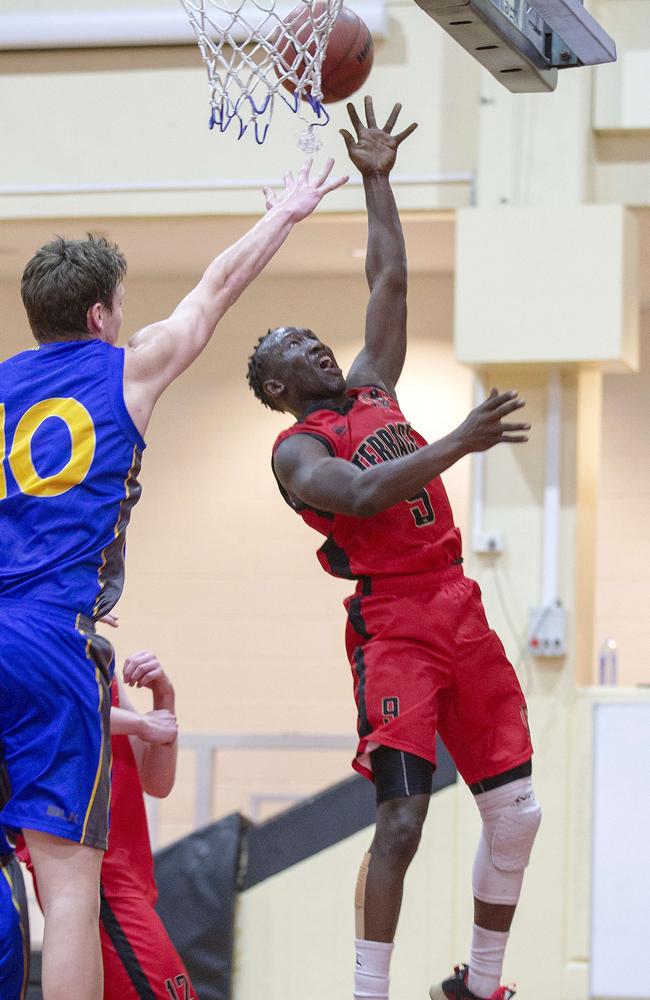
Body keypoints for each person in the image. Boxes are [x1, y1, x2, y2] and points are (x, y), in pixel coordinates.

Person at [0, 157, 347, 1000]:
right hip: (50, 638)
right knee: (70, 886)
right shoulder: (125, 368)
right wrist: (288, 213)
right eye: (119, 306)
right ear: (99, 313)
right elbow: (214, 289)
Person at [246, 97, 540, 1000]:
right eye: (295, 346)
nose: (316, 346)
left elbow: (391, 283)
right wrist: (458, 441)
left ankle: (478, 986)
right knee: (403, 822)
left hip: (461, 605)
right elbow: (369, 491)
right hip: (397, 626)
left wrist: (378, 182)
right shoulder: (297, 452)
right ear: (274, 384)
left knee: (518, 816)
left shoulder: (372, 386)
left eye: (312, 334)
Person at [20, 631, 196, 1000]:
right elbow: (59, 710)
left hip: (127, 876)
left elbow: (157, 781)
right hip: (94, 875)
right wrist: (142, 724)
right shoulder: (38, 640)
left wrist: (164, 699)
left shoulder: (96, 652)